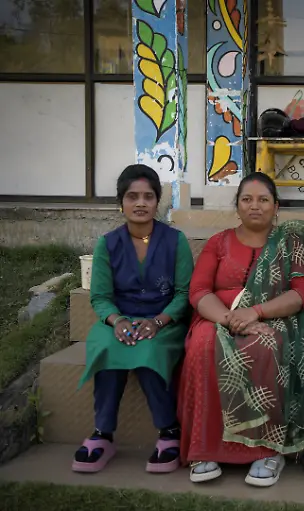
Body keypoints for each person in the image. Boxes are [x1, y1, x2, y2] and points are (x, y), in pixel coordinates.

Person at [177, 173, 304, 487]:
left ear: (276, 206)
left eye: (263, 199)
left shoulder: (290, 243)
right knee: (202, 343)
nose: (255, 206)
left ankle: (267, 451)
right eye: (247, 199)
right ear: (237, 206)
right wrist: (228, 319)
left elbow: (300, 295)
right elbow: (199, 291)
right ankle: (206, 448)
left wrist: (256, 312)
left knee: (266, 345)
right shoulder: (219, 242)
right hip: (219, 317)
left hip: (272, 319)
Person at [72, 164, 193, 474]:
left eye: (148, 196)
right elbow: (99, 297)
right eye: (132, 196)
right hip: (119, 321)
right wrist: (118, 321)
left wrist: (158, 322)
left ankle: (169, 431)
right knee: (109, 349)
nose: (140, 203)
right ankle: (103, 433)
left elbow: (183, 294)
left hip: (164, 322)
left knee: (148, 350)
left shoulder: (175, 241)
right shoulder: (107, 244)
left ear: (157, 202)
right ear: (121, 202)